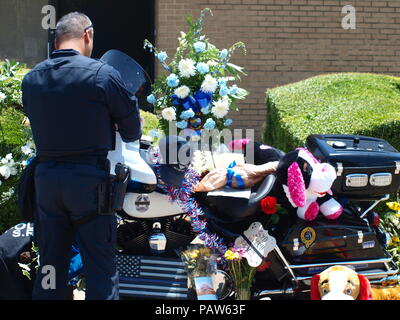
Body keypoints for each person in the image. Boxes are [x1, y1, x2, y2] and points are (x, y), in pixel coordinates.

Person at [21, 12, 142, 300]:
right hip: (89, 184)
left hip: (47, 183)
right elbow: (132, 129)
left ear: (56, 38)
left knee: (50, 266)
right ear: (87, 35)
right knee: (99, 268)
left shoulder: (31, 79)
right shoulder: (102, 74)